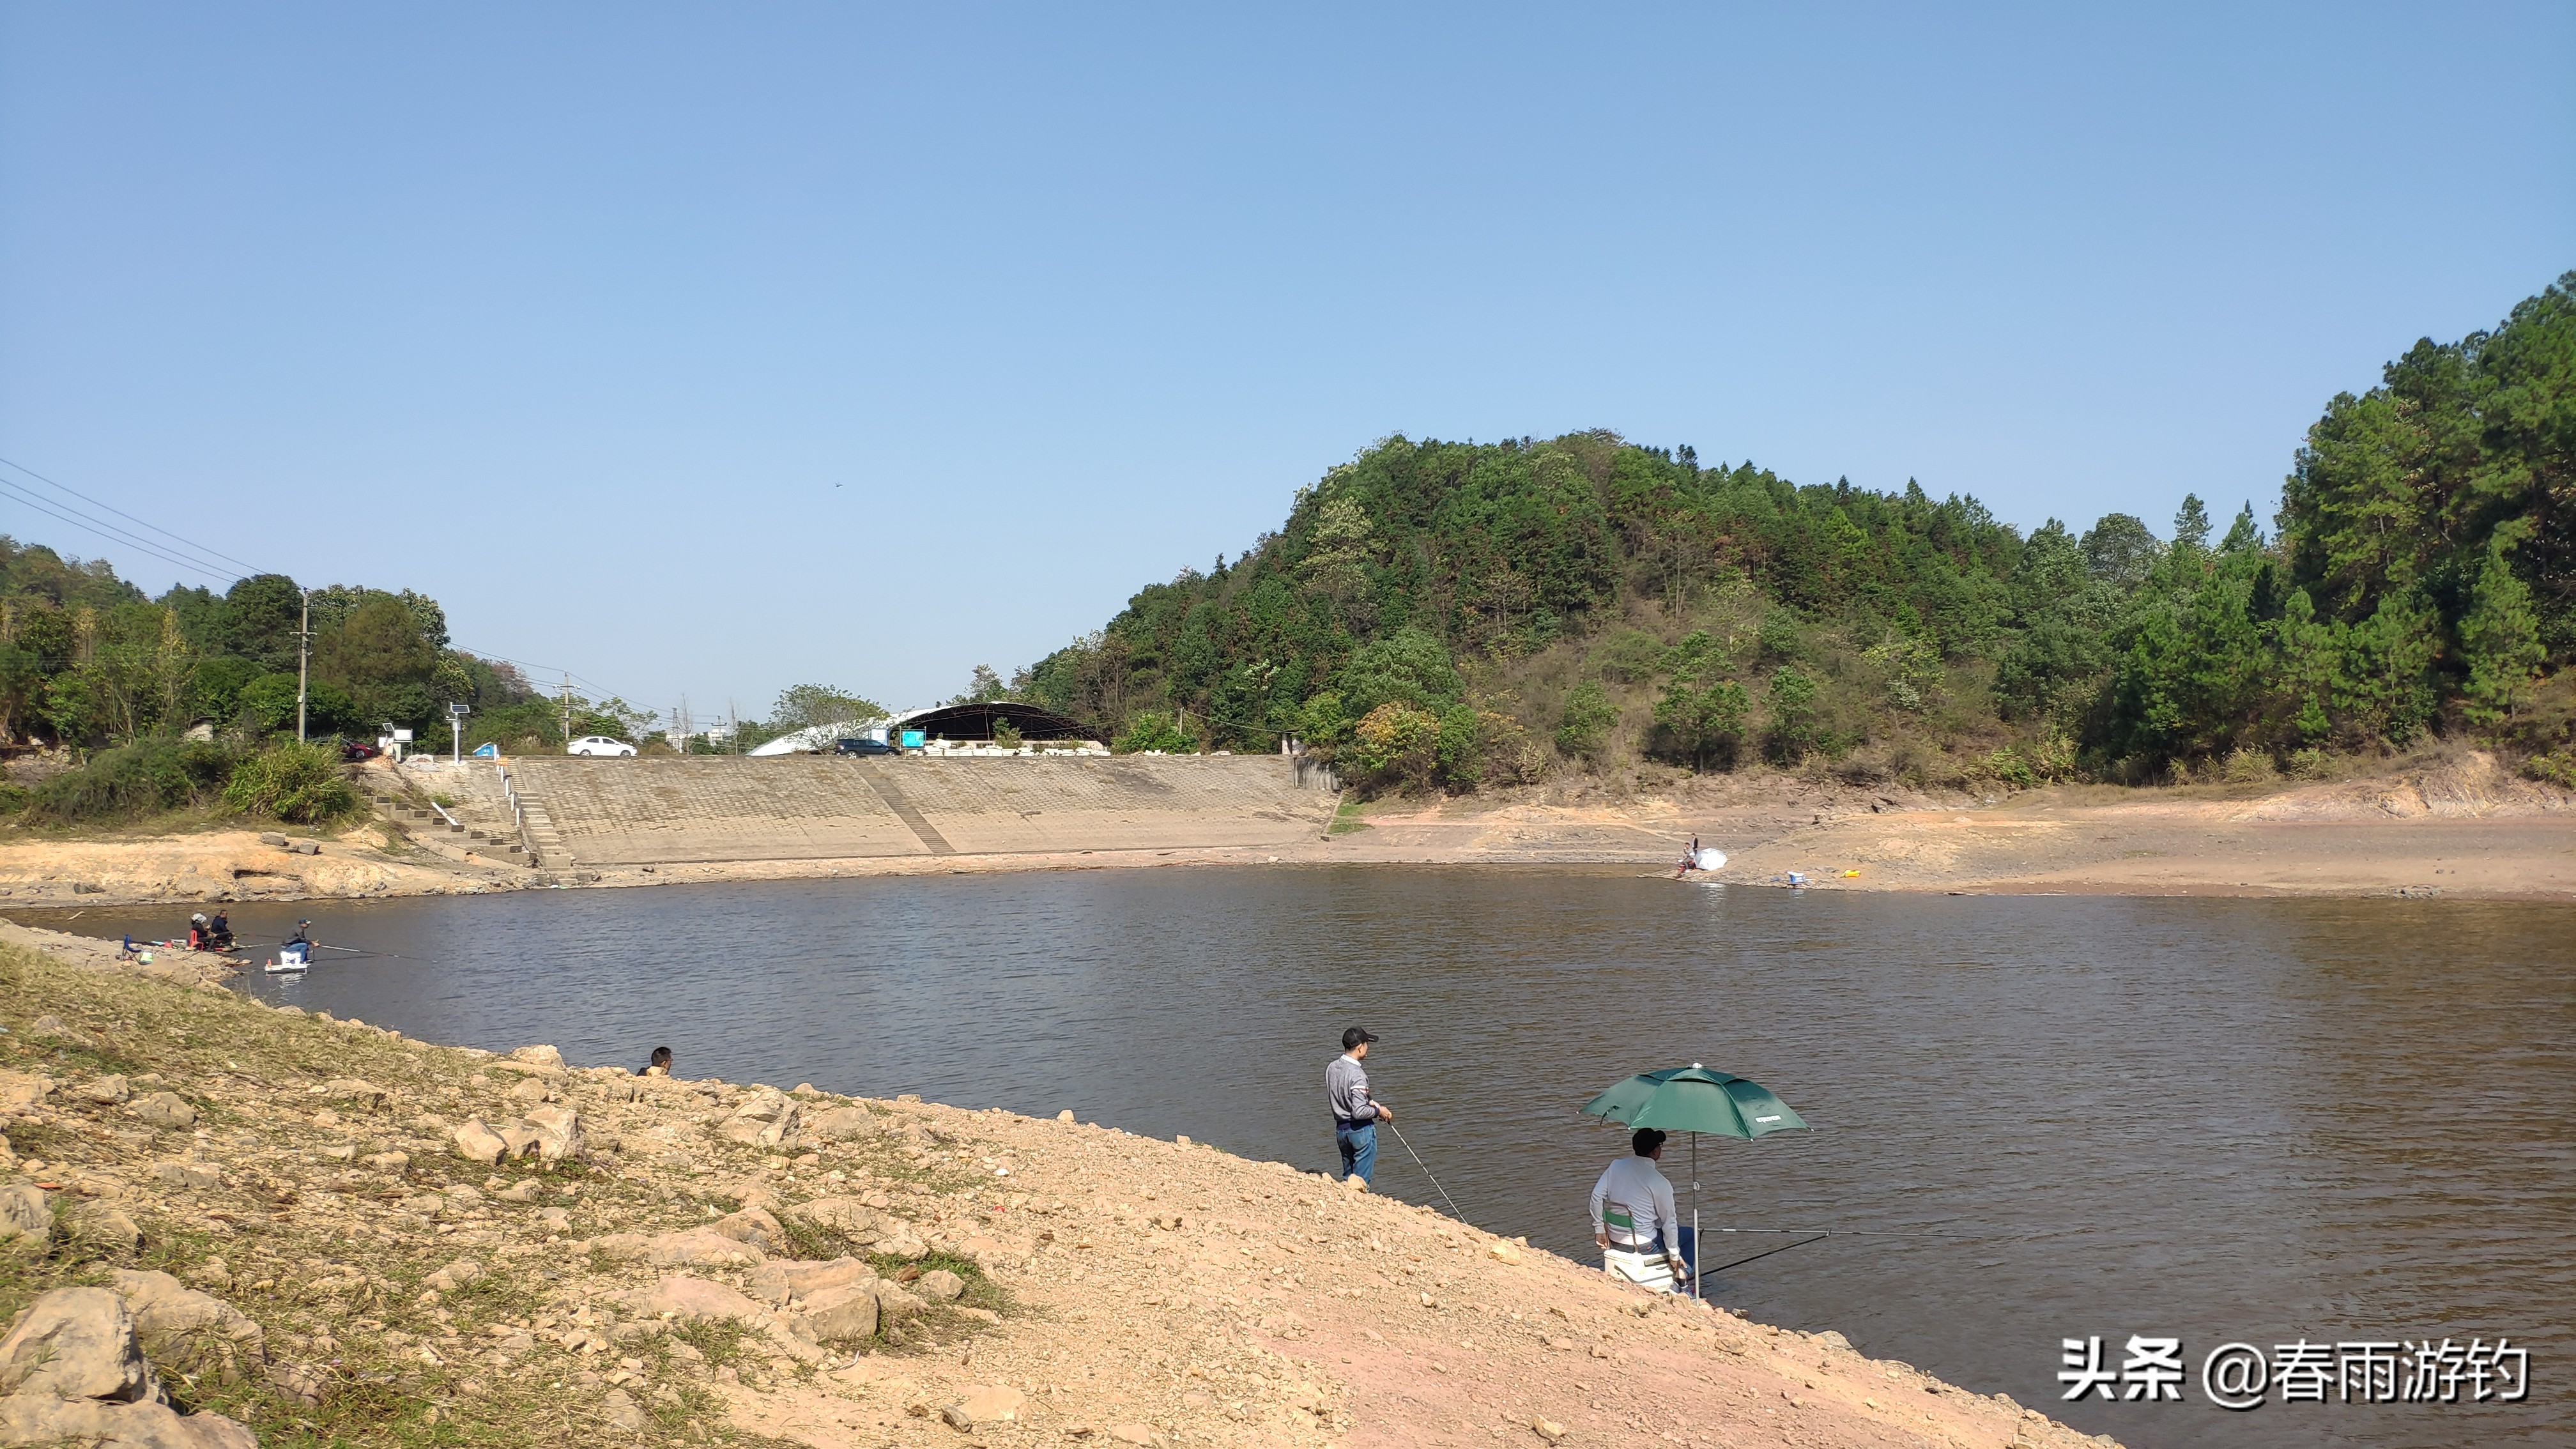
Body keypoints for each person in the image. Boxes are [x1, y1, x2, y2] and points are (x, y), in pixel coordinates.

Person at [1592, 1128, 1689, 1293]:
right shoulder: (1660, 1182)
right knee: (1691, 1235)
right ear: (1656, 1152)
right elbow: (1669, 1222)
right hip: (1643, 1246)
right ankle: (1682, 1281)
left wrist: (1599, 1229)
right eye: (1660, 1145)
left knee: (1659, 1229)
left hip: (1614, 1240)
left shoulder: (1616, 1167)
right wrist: (1674, 1255)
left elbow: (1596, 1197)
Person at [1326, 1027, 1392, 1188]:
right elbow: (1359, 1111)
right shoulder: (1358, 1075)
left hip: (1341, 1131)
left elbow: (1345, 1095)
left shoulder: (1332, 1068)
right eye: (1367, 1044)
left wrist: (1370, 1102)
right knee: (1360, 1184)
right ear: (1360, 1047)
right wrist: (1379, 1111)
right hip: (1360, 1131)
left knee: (1348, 1179)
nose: (1368, 1048)